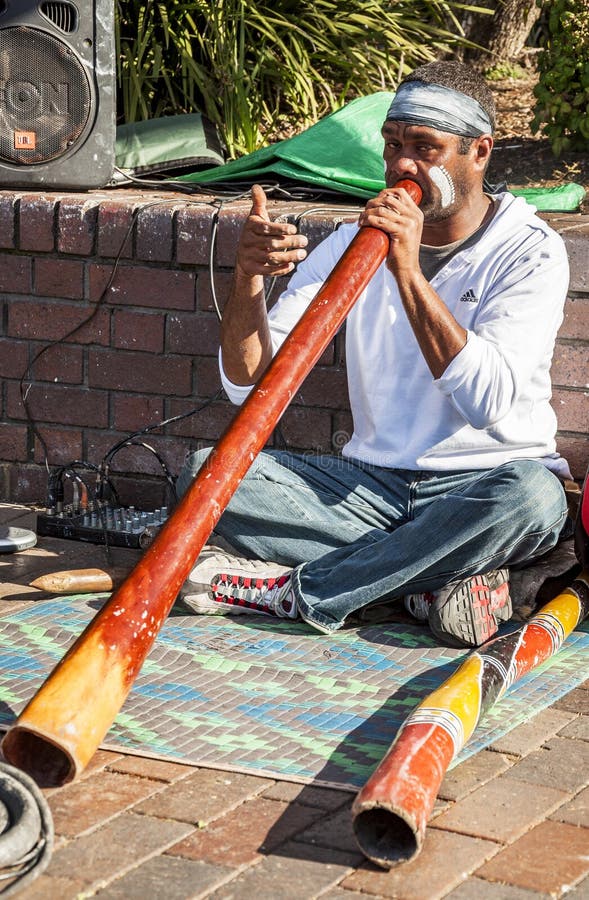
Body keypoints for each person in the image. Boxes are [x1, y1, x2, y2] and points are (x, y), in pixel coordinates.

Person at [176, 60, 572, 648]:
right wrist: (249, 282)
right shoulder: (348, 243)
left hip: (484, 486)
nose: (403, 166)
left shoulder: (530, 251)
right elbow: (250, 386)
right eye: (392, 146)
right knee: (209, 474)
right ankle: (421, 585)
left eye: (425, 148)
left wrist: (409, 271)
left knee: (536, 501)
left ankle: (295, 592)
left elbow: (486, 402)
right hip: (371, 489)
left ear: (479, 152)